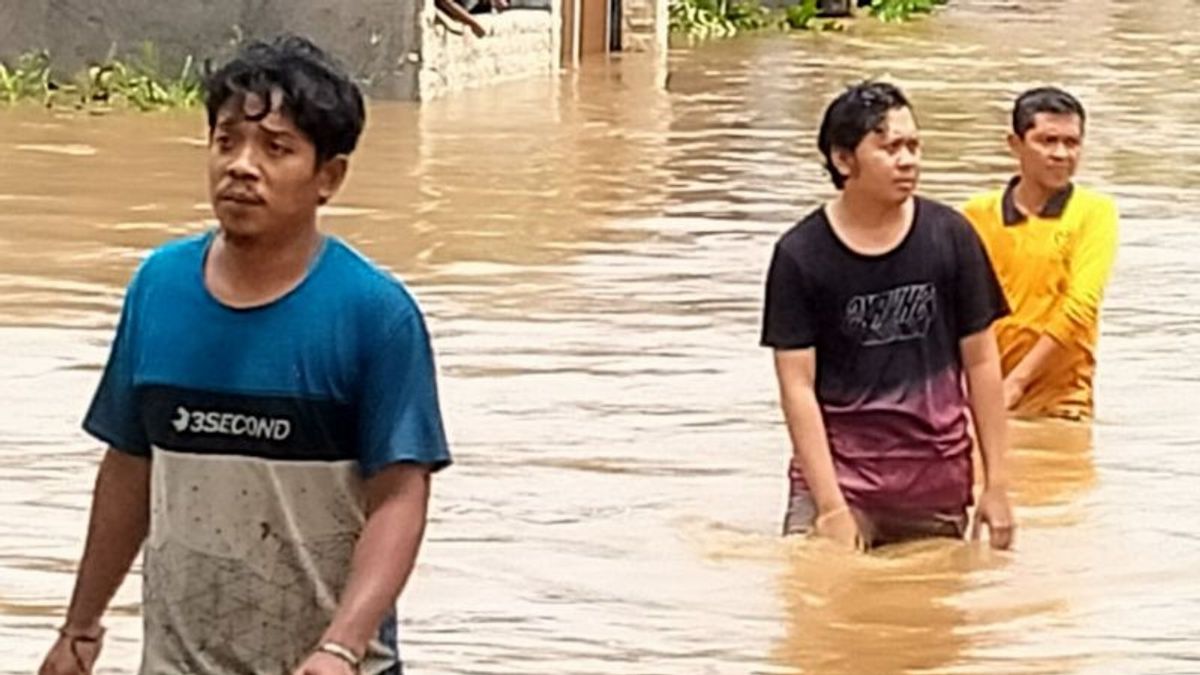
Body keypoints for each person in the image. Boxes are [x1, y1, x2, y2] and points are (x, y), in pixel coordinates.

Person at [38, 35, 450, 675]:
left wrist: (342, 646)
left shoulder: (375, 314)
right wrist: (80, 628)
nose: (241, 165)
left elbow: (400, 496)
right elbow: (128, 466)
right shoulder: (159, 287)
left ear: (329, 178)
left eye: (275, 148)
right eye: (226, 141)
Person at [761, 81, 1014, 551]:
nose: (909, 160)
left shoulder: (951, 237)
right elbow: (796, 387)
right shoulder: (800, 255)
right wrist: (832, 509)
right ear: (843, 160)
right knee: (819, 604)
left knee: (935, 619)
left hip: (933, 484)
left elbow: (981, 363)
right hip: (840, 482)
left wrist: (997, 484)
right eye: (890, 147)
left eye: (914, 146)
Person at [962, 87, 1118, 421]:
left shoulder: (1094, 213)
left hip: (1062, 404)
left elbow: (1081, 307)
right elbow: (955, 310)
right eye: (1047, 141)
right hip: (982, 396)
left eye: (1072, 143)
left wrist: (1016, 382)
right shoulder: (976, 215)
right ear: (1015, 144)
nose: (1061, 154)